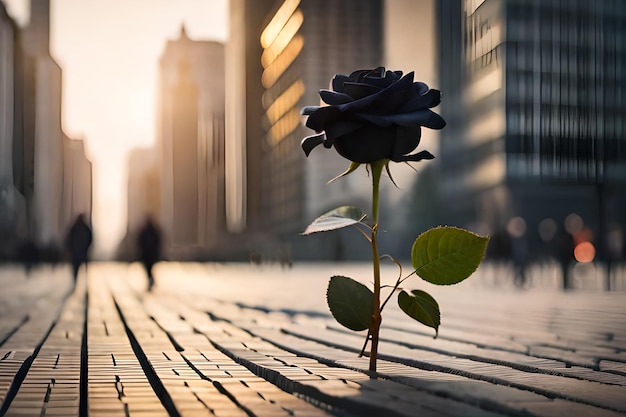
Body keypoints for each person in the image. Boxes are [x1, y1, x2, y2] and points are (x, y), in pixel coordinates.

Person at [65, 214, 93, 284]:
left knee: (76, 267)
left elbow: (69, 239)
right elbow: (90, 238)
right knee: (82, 266)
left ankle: (77, 279)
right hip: (81, 251)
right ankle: (85, 280)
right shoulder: (84, 228)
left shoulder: (75, 228)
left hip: (77, 251)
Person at [138, 218, 161, 291]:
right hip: (150, 254)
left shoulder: (147, 231)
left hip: (148, 254)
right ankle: (151, 280)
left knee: (149, 268)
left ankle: (151, 280)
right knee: (149, 268)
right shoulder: (153, 231)